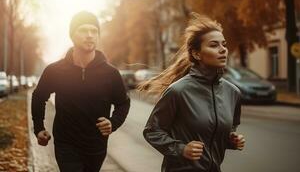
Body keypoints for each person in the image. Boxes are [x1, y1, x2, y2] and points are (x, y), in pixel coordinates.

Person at [139, 13, 245, 172]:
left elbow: (223, 131)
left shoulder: (233, 92)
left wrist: (231, 140)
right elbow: (152, 131)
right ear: (196, 54)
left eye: (224, 44)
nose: (222, 50)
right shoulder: (178, 91)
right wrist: (181, 149)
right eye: (214, 45)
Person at [31, 11, 130, 172]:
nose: (89, 35)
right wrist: (39, 127)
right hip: (66, 143)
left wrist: (113, 122)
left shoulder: (110, 73)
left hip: (96, 145)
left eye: (94, 31)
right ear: (72, 35)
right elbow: (39, 96)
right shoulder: (55, 70)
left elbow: (123, 103)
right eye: (83, 30)